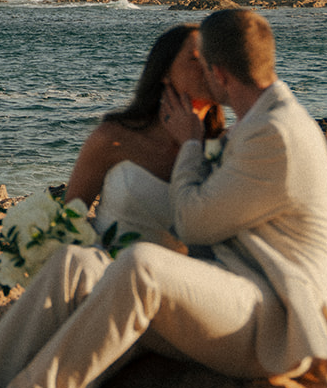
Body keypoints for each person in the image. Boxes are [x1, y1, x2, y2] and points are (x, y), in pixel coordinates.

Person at [0, 8, 327, 388]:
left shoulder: (273, 132)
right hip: (227, 288)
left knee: (142, 265)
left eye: (203, 62)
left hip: (269, 319)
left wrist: (189, 144)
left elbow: (194, 224)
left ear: (219, 75)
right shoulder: (257, 125)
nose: (200, 71)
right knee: (75, 264)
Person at [62, 23, 223, 249]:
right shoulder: (113, 137)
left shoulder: (228, 146)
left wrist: (192, 143)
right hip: (107, 273)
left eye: (214, 60)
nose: (209, 68)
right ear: (165, 71)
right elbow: (68, 221)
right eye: (196, 59)